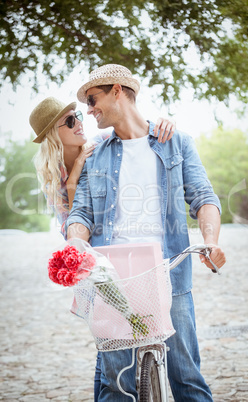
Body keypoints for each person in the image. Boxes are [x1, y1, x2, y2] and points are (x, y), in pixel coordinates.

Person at [66, 64, 226, 401]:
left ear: (117, 91)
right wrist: (75, 245)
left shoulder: (175, 142)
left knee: (188, 379)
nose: (89, 109)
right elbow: (80, 211)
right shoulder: (95, 152)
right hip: (110, 279)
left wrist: (210, 242)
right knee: (116, 385)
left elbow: (203, 197)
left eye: (93, 99)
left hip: (169, 274)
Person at [29, 95, 176, 400]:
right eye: (69, 121)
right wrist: (80, 164)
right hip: (91, 261)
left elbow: (133, 129)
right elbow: (72, 215)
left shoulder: (101, 143)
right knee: (110, 346)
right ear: (53, 134)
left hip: (118, 254)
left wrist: (164, 121)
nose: (79, 122)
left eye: (77, 116)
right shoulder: (54, 173)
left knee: (110, 348)